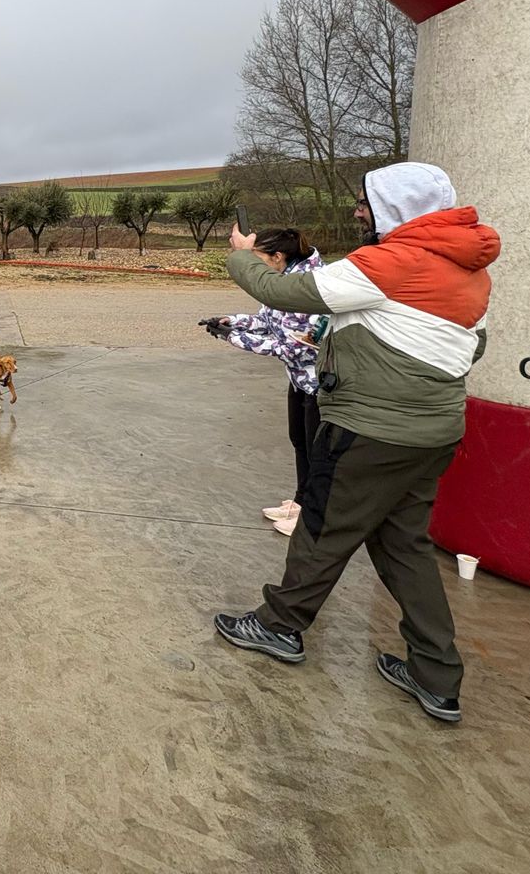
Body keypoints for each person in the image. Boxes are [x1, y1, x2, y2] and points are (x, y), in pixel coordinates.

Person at [213, 163, 498, 725]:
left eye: (367, 203)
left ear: (397, 209)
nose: (357, 212)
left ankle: (279, 626)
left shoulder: (391, 261)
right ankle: (435, 675)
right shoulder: (465, 269)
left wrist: (243, 252)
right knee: (403, 546)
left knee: (324, 525)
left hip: (372, 431)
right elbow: (469, 345)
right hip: (433, 431)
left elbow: (283, 288)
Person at [203, 227, 324, 536]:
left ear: (277, 257)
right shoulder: (283, 283)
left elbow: (293, 347)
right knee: (299, 441)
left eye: (257, 259)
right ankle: (300, 502)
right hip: (298, 380)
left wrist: (235, 339)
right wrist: (232, 322)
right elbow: (267, 321)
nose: (255, 268)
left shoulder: (309, 289)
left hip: (318, 384)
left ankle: (313, 516)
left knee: (316, 451)